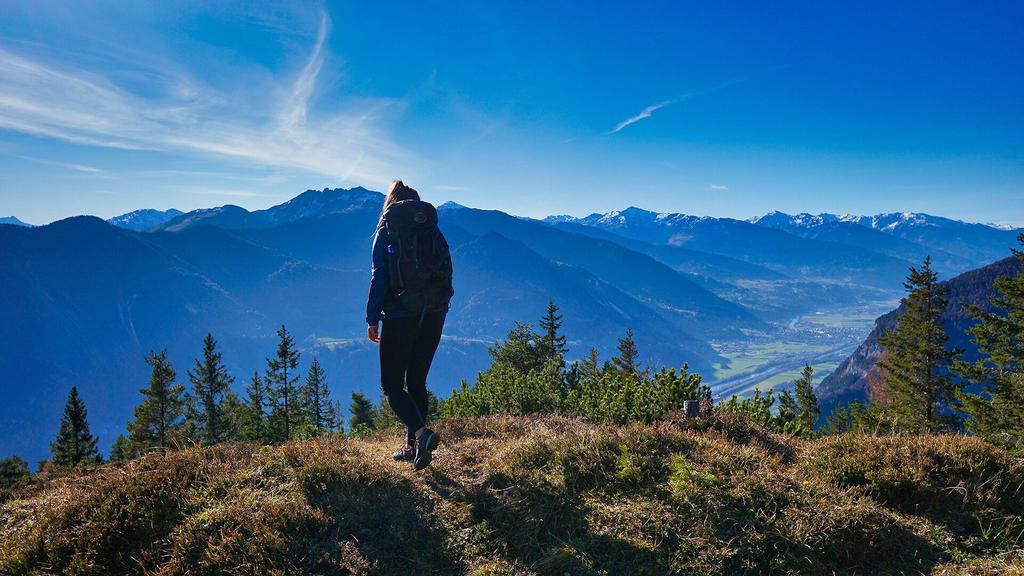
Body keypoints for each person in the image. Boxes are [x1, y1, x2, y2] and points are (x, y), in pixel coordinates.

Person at [365, 180, 454, 470]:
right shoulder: (431, 230)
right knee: (416, 381)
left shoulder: (386, 230)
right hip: (434, 314)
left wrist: (372, 318)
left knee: (391, 384)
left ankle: (421, 433)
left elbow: (379, 277)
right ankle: (414, 448)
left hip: (400, 315)